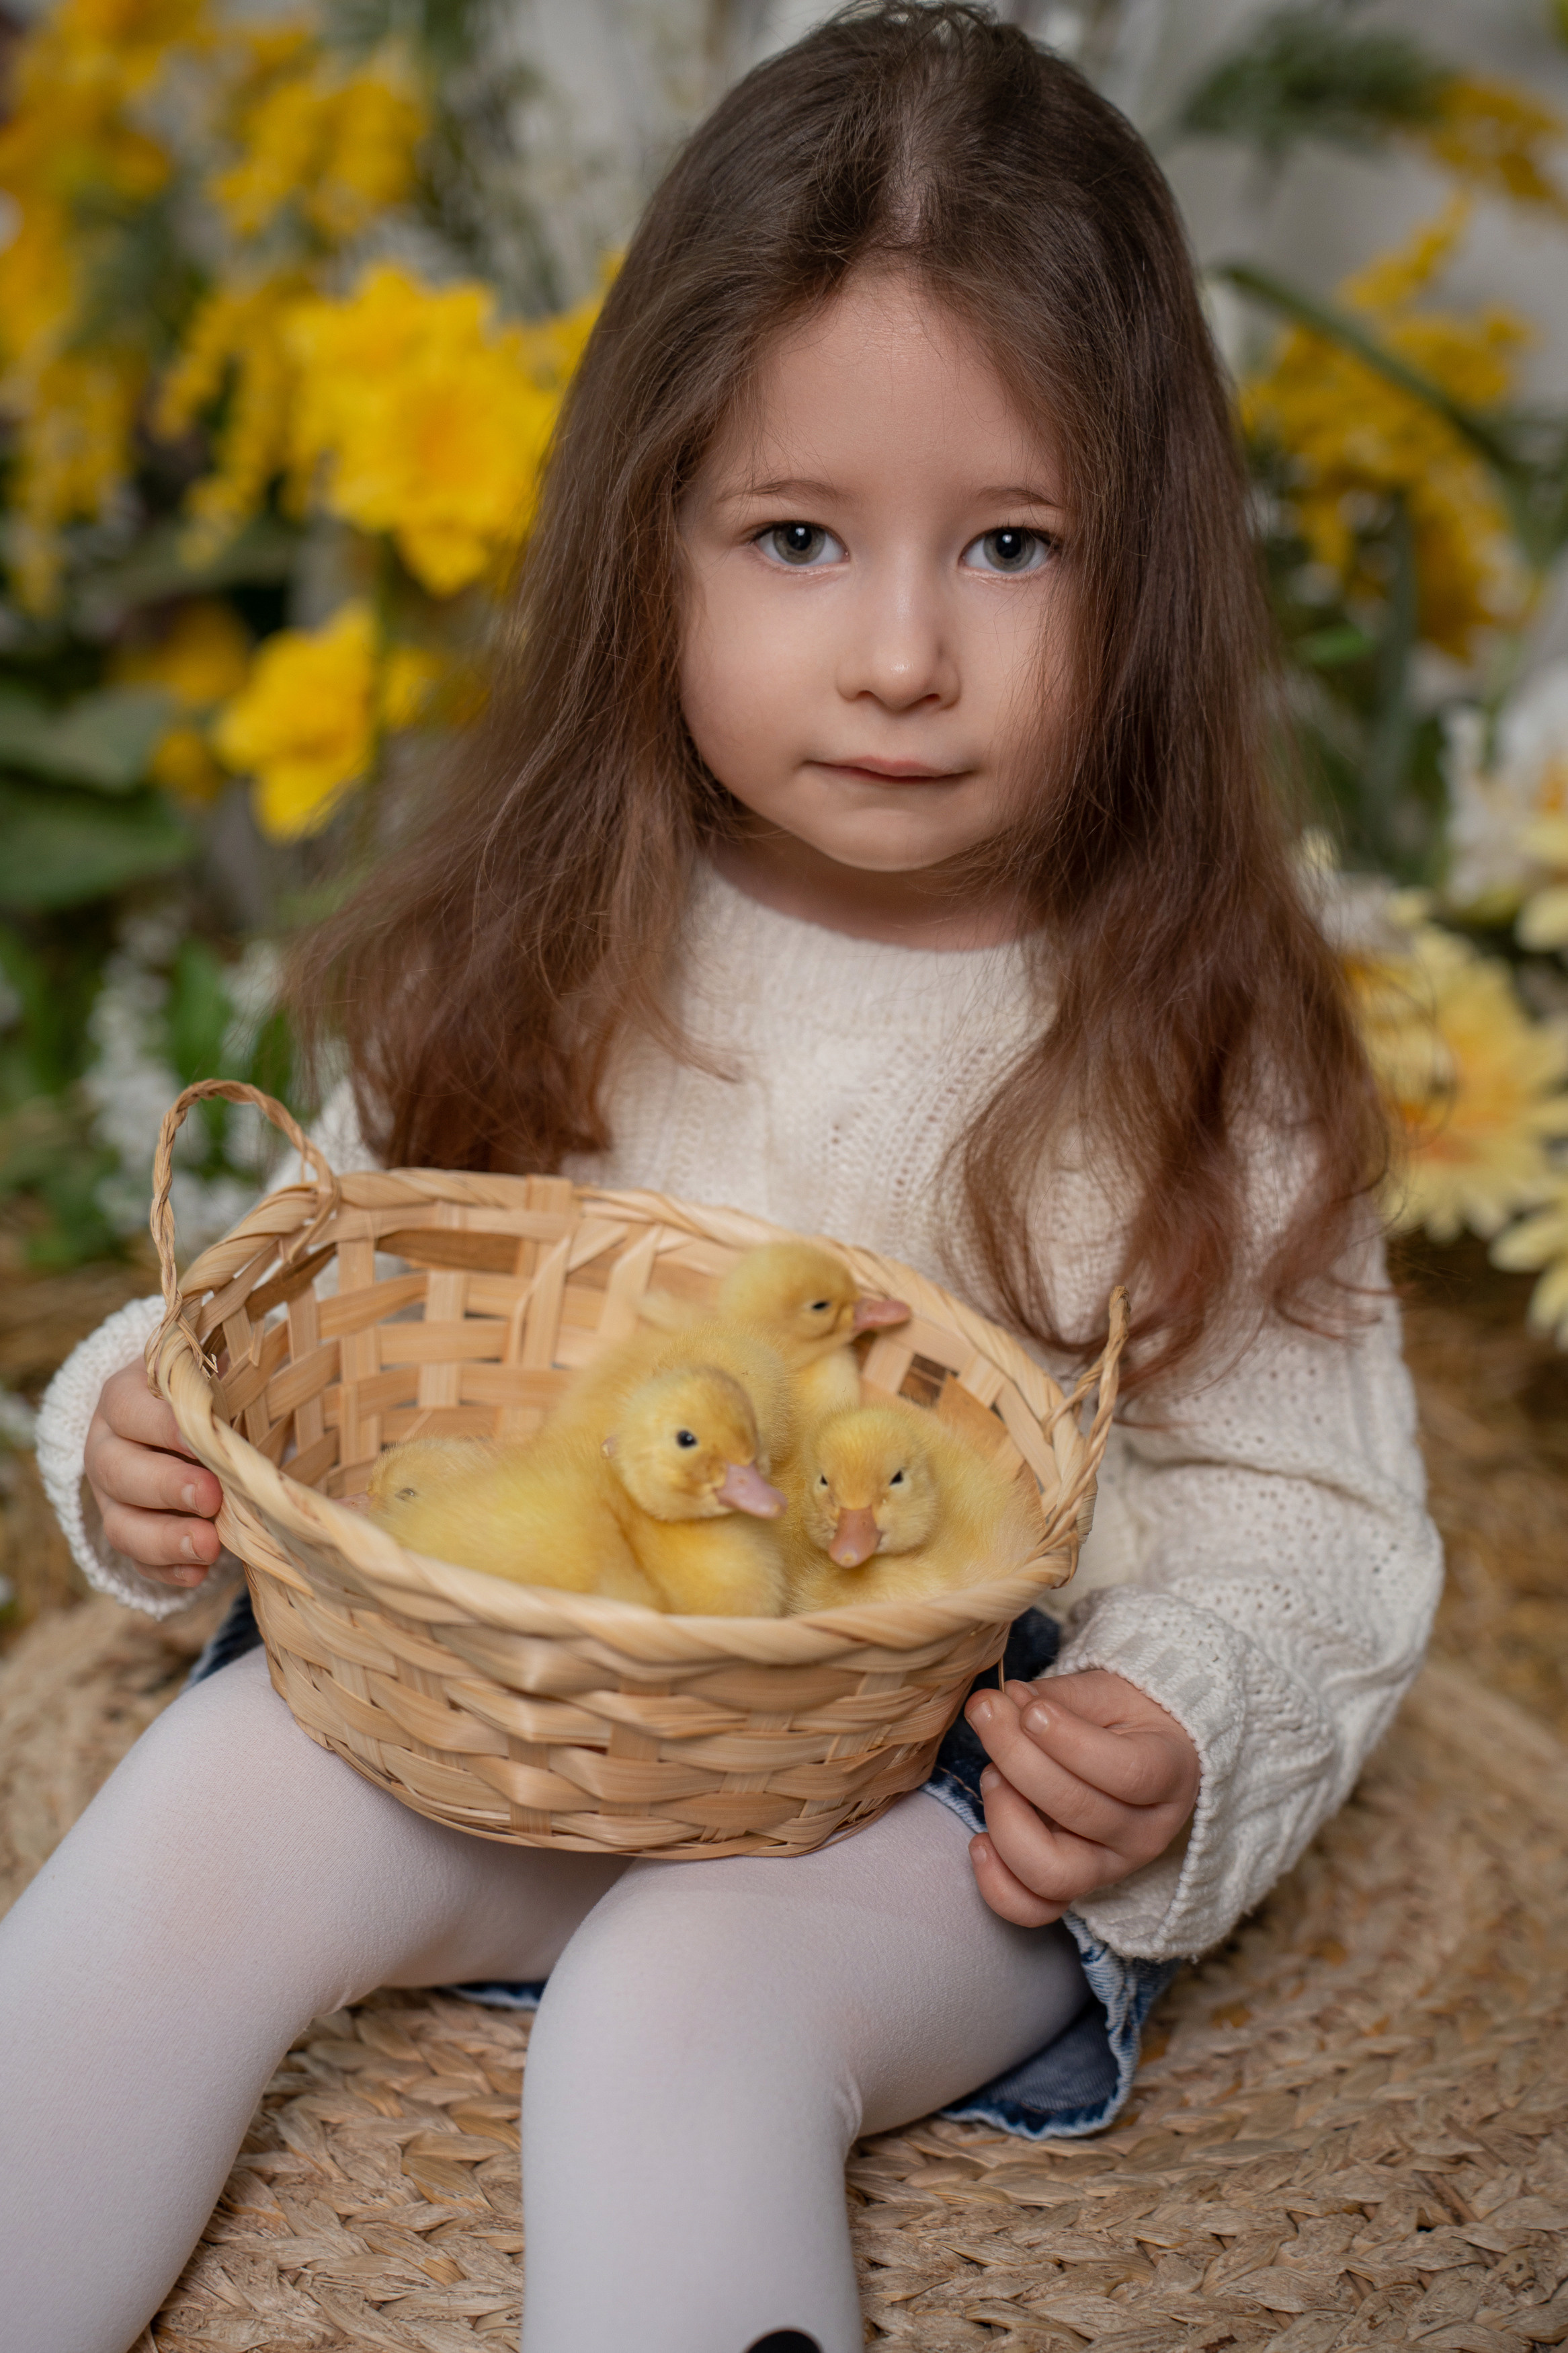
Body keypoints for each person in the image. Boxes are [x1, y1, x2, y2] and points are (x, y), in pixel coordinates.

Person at [0, 8, 1442, 2350]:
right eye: (797, 537)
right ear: (648, 543)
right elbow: (316, 1287)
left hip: (927, 1783)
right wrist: (144, 1422)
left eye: (1012, 544)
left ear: (1154, 572)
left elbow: (1319, 1512)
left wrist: (1174, 1717)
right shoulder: (557, 926)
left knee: (682, 2011)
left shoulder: (1198, 1024)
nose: (902, 653)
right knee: (194, 1819)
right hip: (532, 1695)